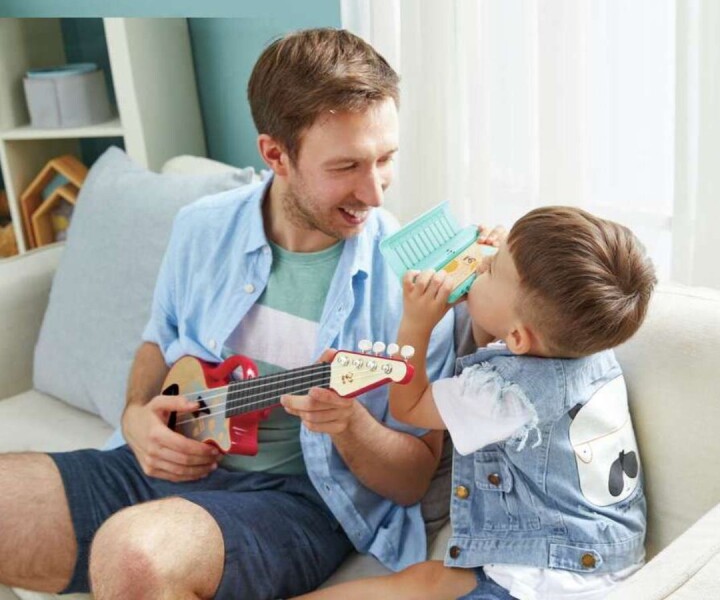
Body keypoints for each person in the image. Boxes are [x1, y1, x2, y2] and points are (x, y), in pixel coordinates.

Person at [0, 29, 455, 600]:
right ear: (275, 154)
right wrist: (138, 416)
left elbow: (414, 480)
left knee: (137, 556)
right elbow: (158, 341)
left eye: (385, 158)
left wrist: (351, 424)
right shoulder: (202, 227)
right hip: (166, 462)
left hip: (296, 499)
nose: (375, 191)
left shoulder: (412, 286)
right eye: (346, 166)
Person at [296, 206, 657, 600]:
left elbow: (409, 406)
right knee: (423, 581)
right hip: (605, 556)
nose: (479, 261)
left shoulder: (502, 395)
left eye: (490, 268)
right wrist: (497, 277)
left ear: (519, 336)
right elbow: (501, 347)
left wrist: (416, 323)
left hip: (541, 584)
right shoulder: (590, 350)